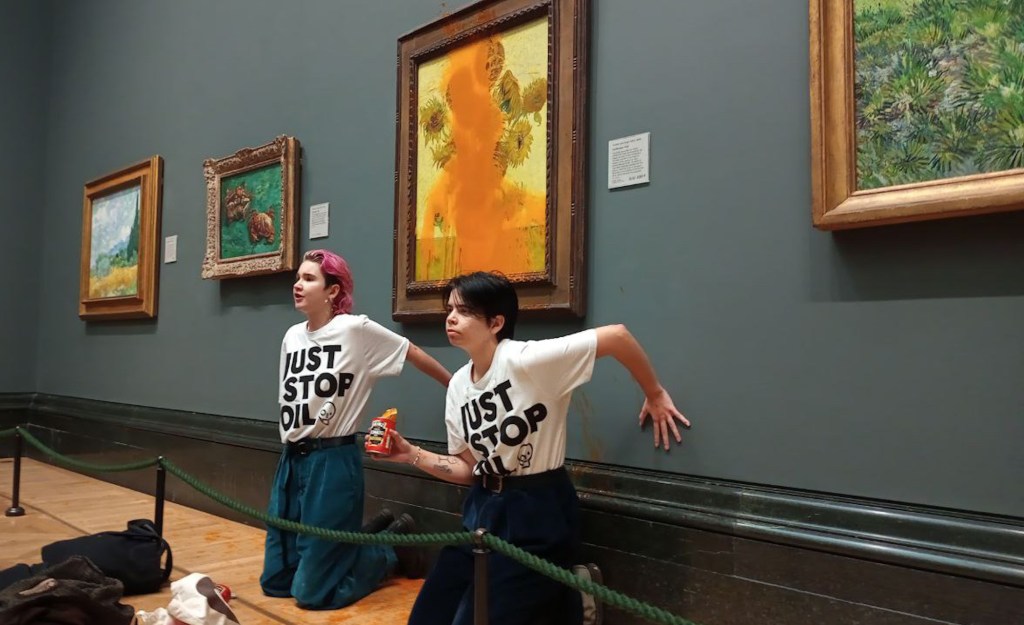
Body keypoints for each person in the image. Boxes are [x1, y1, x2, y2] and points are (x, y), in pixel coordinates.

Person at [372, 271, 690, 625]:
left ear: (495, 322)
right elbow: (467, 468)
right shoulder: (459, 386)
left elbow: (617, 336)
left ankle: (571, 591)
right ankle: (565, 592)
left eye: (464, 311)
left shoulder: (527, 360)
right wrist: (409, 453)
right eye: (450, 308)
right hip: (482, 511)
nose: (451, 317)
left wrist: (655, 393)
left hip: (537, 509)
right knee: (428, 616)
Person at [260, 249, 451, 610]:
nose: (298, 285)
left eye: (309, 278)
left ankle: (392, 549)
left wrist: (456, 386)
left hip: (331, 460)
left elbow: (410, 351)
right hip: (291, 459)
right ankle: (363, 538)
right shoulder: (291, 337)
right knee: (275, 583)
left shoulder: (354, 329)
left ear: (333, 291)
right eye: (297, 278)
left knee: (312, 595)